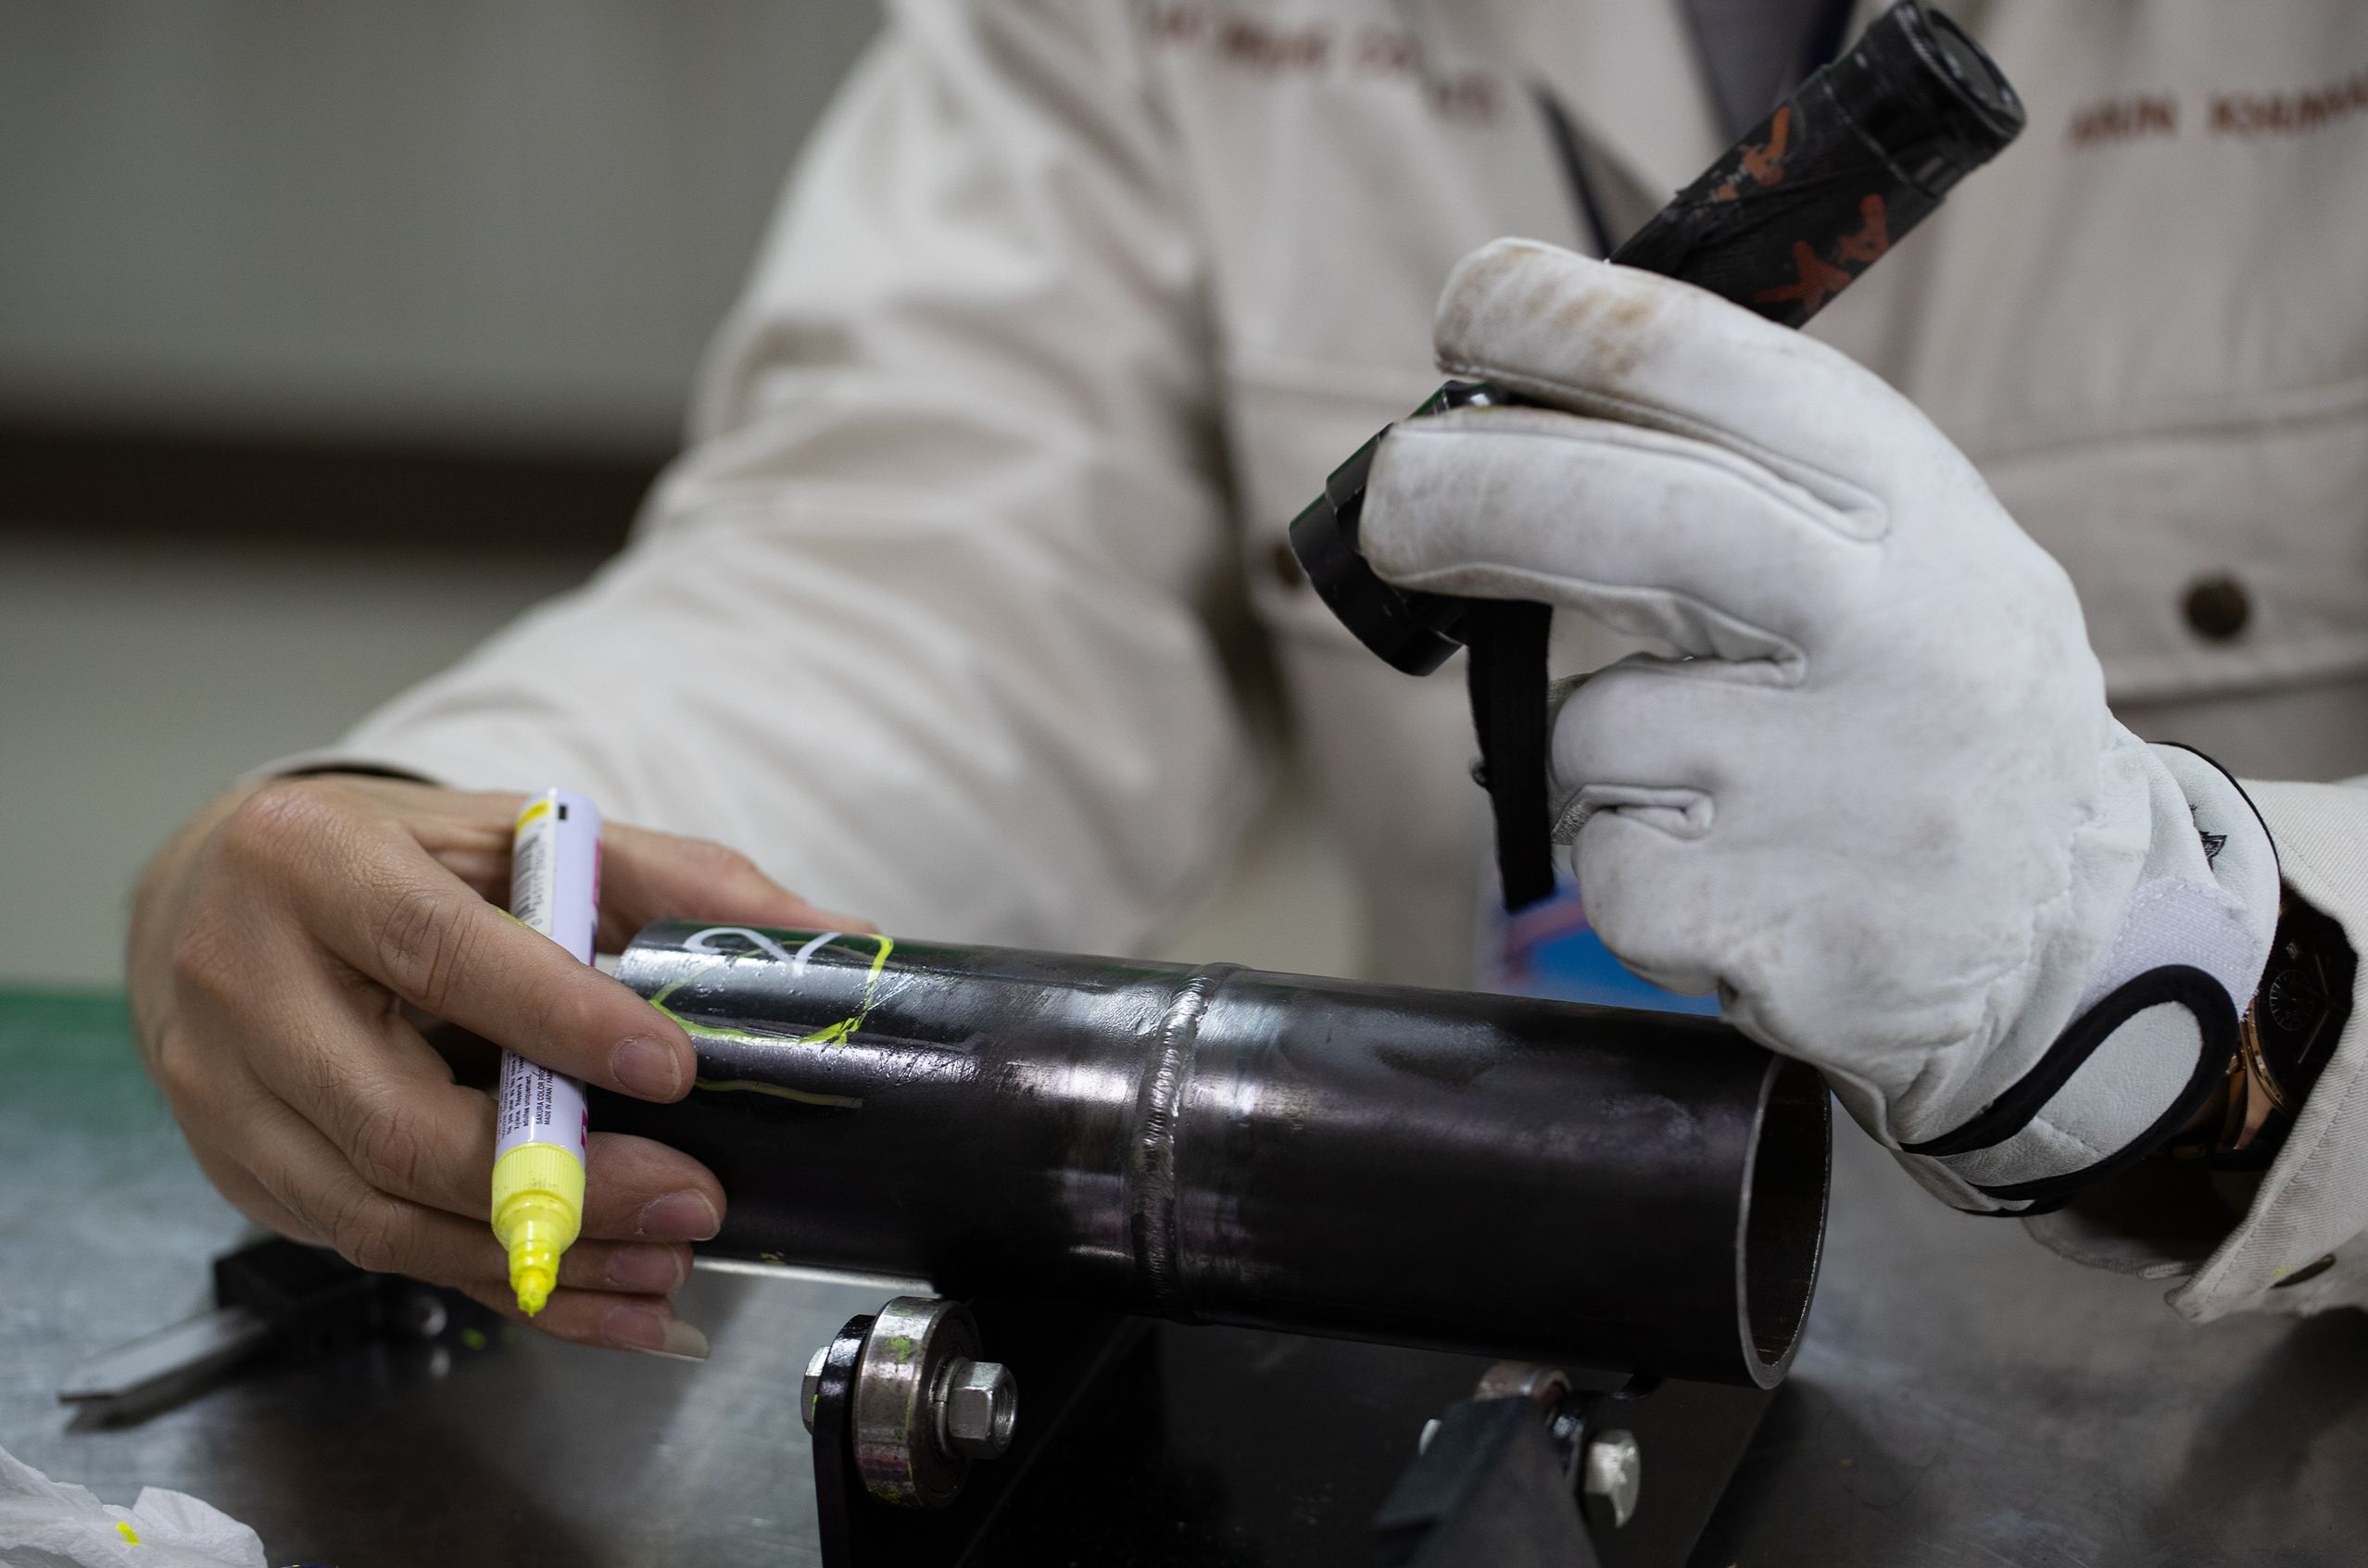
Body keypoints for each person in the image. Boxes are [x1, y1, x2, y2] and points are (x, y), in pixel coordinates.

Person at [127, 2, 2368, 1356]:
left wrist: (2168, 957)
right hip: (1523, 1302)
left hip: (2253, 1383)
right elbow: (920, 579)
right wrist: (450, 843)